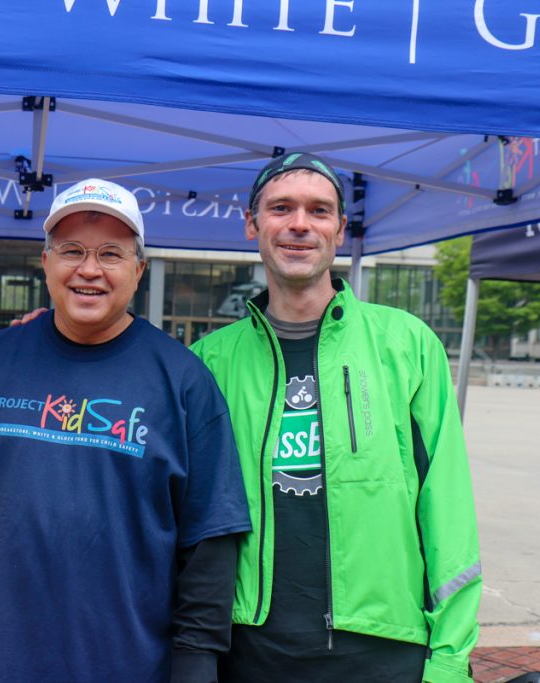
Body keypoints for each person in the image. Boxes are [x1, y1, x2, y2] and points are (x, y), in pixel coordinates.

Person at [0, 179, 251, 683]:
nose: (89, 269)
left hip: (133, 666)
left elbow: (210, 544)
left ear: (138, 271)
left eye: (110, 254)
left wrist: (195, 667)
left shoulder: (183, 381)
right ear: (46, 262)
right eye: (72, 250)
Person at [190, 153, 482, 683]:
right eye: (281, 208)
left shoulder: (407, 345)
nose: (300, 224)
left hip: (384, 652)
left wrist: (450, 658)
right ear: (253, 224)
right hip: (249, 654)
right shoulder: (209, 361)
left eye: (319, 211)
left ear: (340, 229)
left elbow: (448, 508)